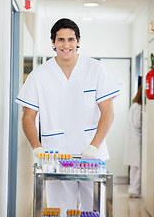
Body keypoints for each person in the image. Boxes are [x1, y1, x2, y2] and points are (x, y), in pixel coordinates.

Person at [16, 18, 120, 215]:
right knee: (62, 211)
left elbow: (108, 112)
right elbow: (27, 117)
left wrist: (94, 146)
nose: (66, 45)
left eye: (71, 39)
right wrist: (37, 148)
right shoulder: (39, 75)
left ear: (78, 41)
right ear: (53, 42)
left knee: (94, 211)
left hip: (92, 156)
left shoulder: (96, 69)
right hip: (56, 155)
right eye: (61, 39)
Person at [124, 85, 142, 198]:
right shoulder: (138, 107)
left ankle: (132, 189)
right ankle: (135, 190)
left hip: (133, 139)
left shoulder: (134, 105)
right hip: (136, 138)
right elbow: (137, 124)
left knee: (134, 166)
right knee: (138, 167)